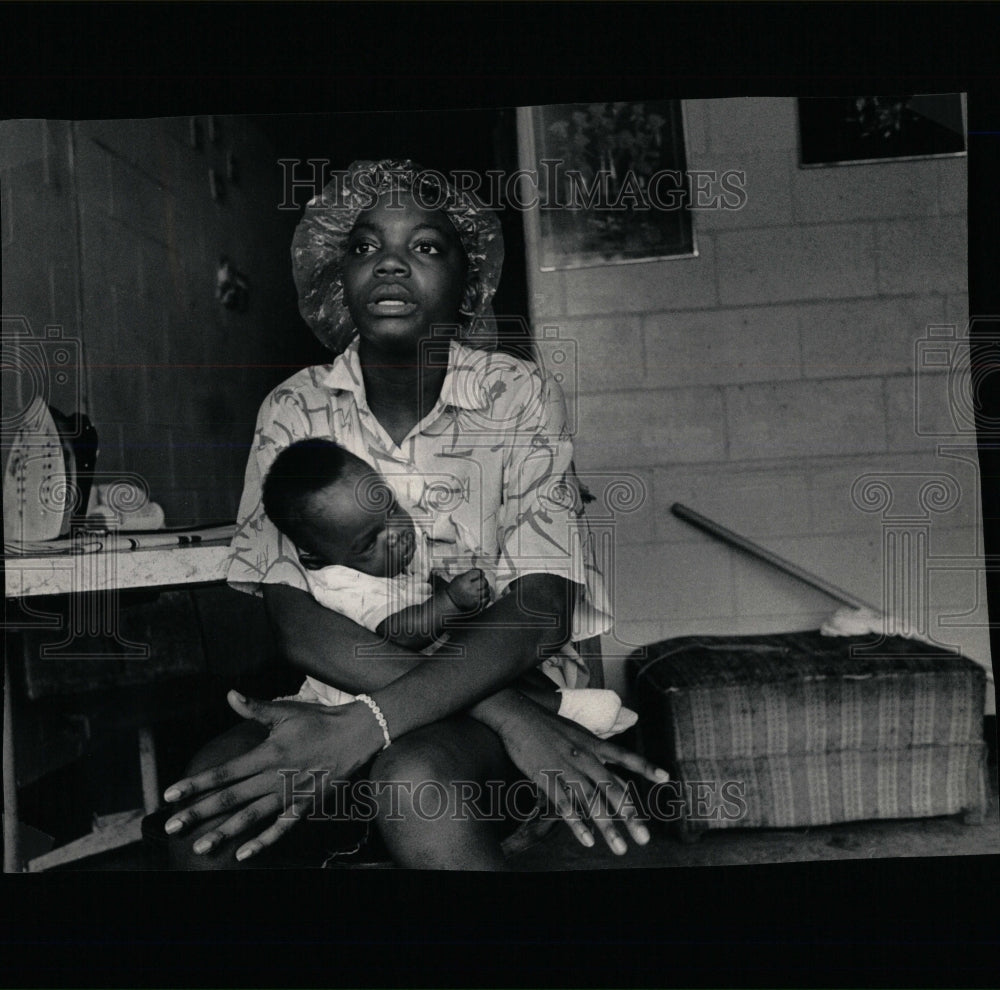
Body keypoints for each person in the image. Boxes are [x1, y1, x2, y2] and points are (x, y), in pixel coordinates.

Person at [159, 159, 669, 870]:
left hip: (505, 677)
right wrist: (469, 721)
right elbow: (296, 623)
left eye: (426, 247)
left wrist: (386, 725)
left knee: (416, 782)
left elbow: (539, 610)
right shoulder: (293, 409)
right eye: (365, 247)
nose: (391, 266)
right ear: (338, 276)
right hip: (352, 686)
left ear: (470, 281)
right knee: (201, 812)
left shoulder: (515, 395)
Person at [261, 437, 638, 737]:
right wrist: (448, 603)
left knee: (487, 651)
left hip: (426, 668)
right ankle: (557, 710)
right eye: (369, 541)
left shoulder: (391, 553)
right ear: (314, 557)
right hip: (372, 688)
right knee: (467, 680)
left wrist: (459, 595)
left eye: (391, 510)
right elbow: (398, 633)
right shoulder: (340, 584)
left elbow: (428, 579)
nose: (395, 535)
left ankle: (554, 704)